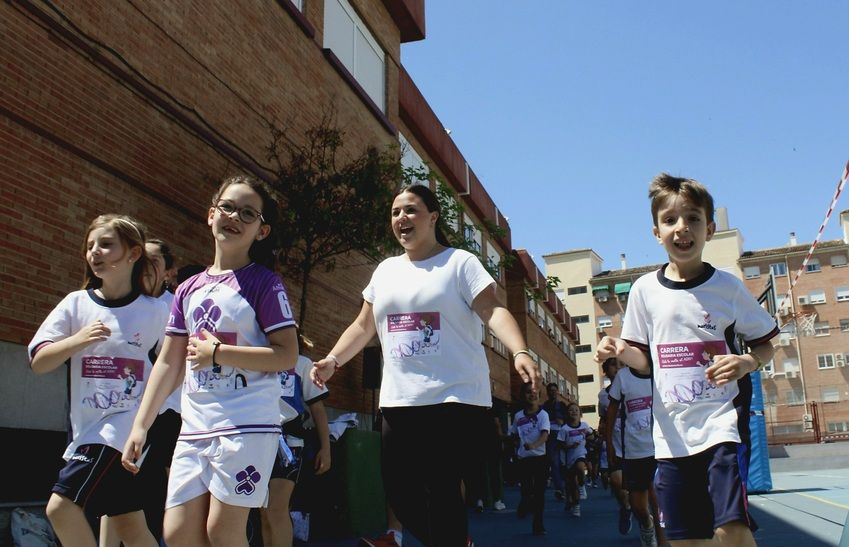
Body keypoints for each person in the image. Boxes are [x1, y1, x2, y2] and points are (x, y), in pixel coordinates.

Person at [310, 183, 540, 547]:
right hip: (400, 400)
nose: (402, 217)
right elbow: (363, 325)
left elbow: (493, 310)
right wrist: (333, 359)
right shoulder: (385, 271)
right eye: (396, 212)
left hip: (454, 398)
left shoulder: (459, 263)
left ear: (432, 217)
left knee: (442, 485)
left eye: (411, 210)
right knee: (400, 492)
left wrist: (520, 351)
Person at [595, 173, 778, 547]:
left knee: (732, 530)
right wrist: (618, 349)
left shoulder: (727, 287)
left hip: (721, 427)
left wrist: (746, 362)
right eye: (670, 220)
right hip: (670, 437)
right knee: (685, 540)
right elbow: (643, 361)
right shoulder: (645, 290)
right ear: (656, 232)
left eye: (693, 218)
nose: (682, 228)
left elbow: (765, 344)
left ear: (709, 229)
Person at [122, 174, 299, 547]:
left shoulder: (265, 284)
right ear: (210, 215)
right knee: (178, 533)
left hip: (247, 424)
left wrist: (218, 353)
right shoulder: (187, 289)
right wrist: (141, 425)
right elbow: (169, 363)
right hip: (195, 426)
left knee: (222, 531)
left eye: (248, 213)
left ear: (262, 231)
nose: (234, 216)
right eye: (228, 207)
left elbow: (287, 355)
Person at [28, 214, 168, 547]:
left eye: (106, 245)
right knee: (129, 524)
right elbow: (38, 362)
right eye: (90, 246)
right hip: (84, 428)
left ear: (133, 254)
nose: (95, 252)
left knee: (60, 507)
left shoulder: (157, 311)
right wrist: (79, 340)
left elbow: (176, 367)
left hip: (123, 428)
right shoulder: (76, 304)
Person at [100, 238, 181, 546]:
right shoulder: (123, 302)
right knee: (116, 490)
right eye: (140, 259)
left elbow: (174, 363)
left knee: (170, 490)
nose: (145, 267)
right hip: (126, 414)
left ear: (169, 272)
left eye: (155, 262)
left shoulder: (174, 307)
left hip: (168, 412)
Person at [261, 331, 332, 547]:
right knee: (263, 511)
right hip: (257, 441)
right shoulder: (256, 357)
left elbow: (318, 410)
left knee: (276, 508)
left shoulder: (302, 364)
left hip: (289, 443)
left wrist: (325, 449)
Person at [606, 362, 663, 547]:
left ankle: (663, 543)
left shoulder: (660, 371)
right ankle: (646, 524)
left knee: (657, 501)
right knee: (638, 506)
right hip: (634, 451)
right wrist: (610, 445)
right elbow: (611, 413)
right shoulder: (623, 377)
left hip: (660, 448)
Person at [509, 383, 550, 536]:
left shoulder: (543, 415)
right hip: (523, 459)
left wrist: (534, 445)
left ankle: (538, 524)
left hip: (539, 457)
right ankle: (524, 503)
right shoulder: (518, 416)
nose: (531, 395)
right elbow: (513, 433)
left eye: (534, 392)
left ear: (539, 396)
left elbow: (545, 435)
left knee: (539, 492)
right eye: (528, 392)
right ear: (523, 396)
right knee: (526, 491)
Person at [599, 358, 632, 535]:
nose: (618, 368)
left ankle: (646, 522)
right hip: (615, 444)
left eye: (622, 365)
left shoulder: (633, 388)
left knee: (639, 493)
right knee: (617, 482)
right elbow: (603, 418)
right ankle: (625, 508)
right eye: (614, 365)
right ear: (606, 371)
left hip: (634, 442)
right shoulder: (603, 396)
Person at [557, 402, 591, 517]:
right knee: (572, 484)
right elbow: (560, 444)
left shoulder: (584, 426)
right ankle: (576, 506)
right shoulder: (564, 429)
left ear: (580, 414)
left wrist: (590, 436)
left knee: (580, 467)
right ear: (567, 413)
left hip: (580, 454)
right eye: (571, 410)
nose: (574, 412)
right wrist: (569, 446)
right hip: (568, 458)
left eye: (576, 410)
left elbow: (591, 435)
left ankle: (582, 485)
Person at [541, 382, 566, 499]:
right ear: (547, 393)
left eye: (554, 390)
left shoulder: (562, 405)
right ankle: (559, 489)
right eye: (550, 390)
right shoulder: (544, 407)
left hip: (562, 434)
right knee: (555, 462)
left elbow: (569, 419)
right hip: (551, 436)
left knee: (564, 462)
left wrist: (562, 421)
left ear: (558, 392)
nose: (553, 392)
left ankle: (568, 487)